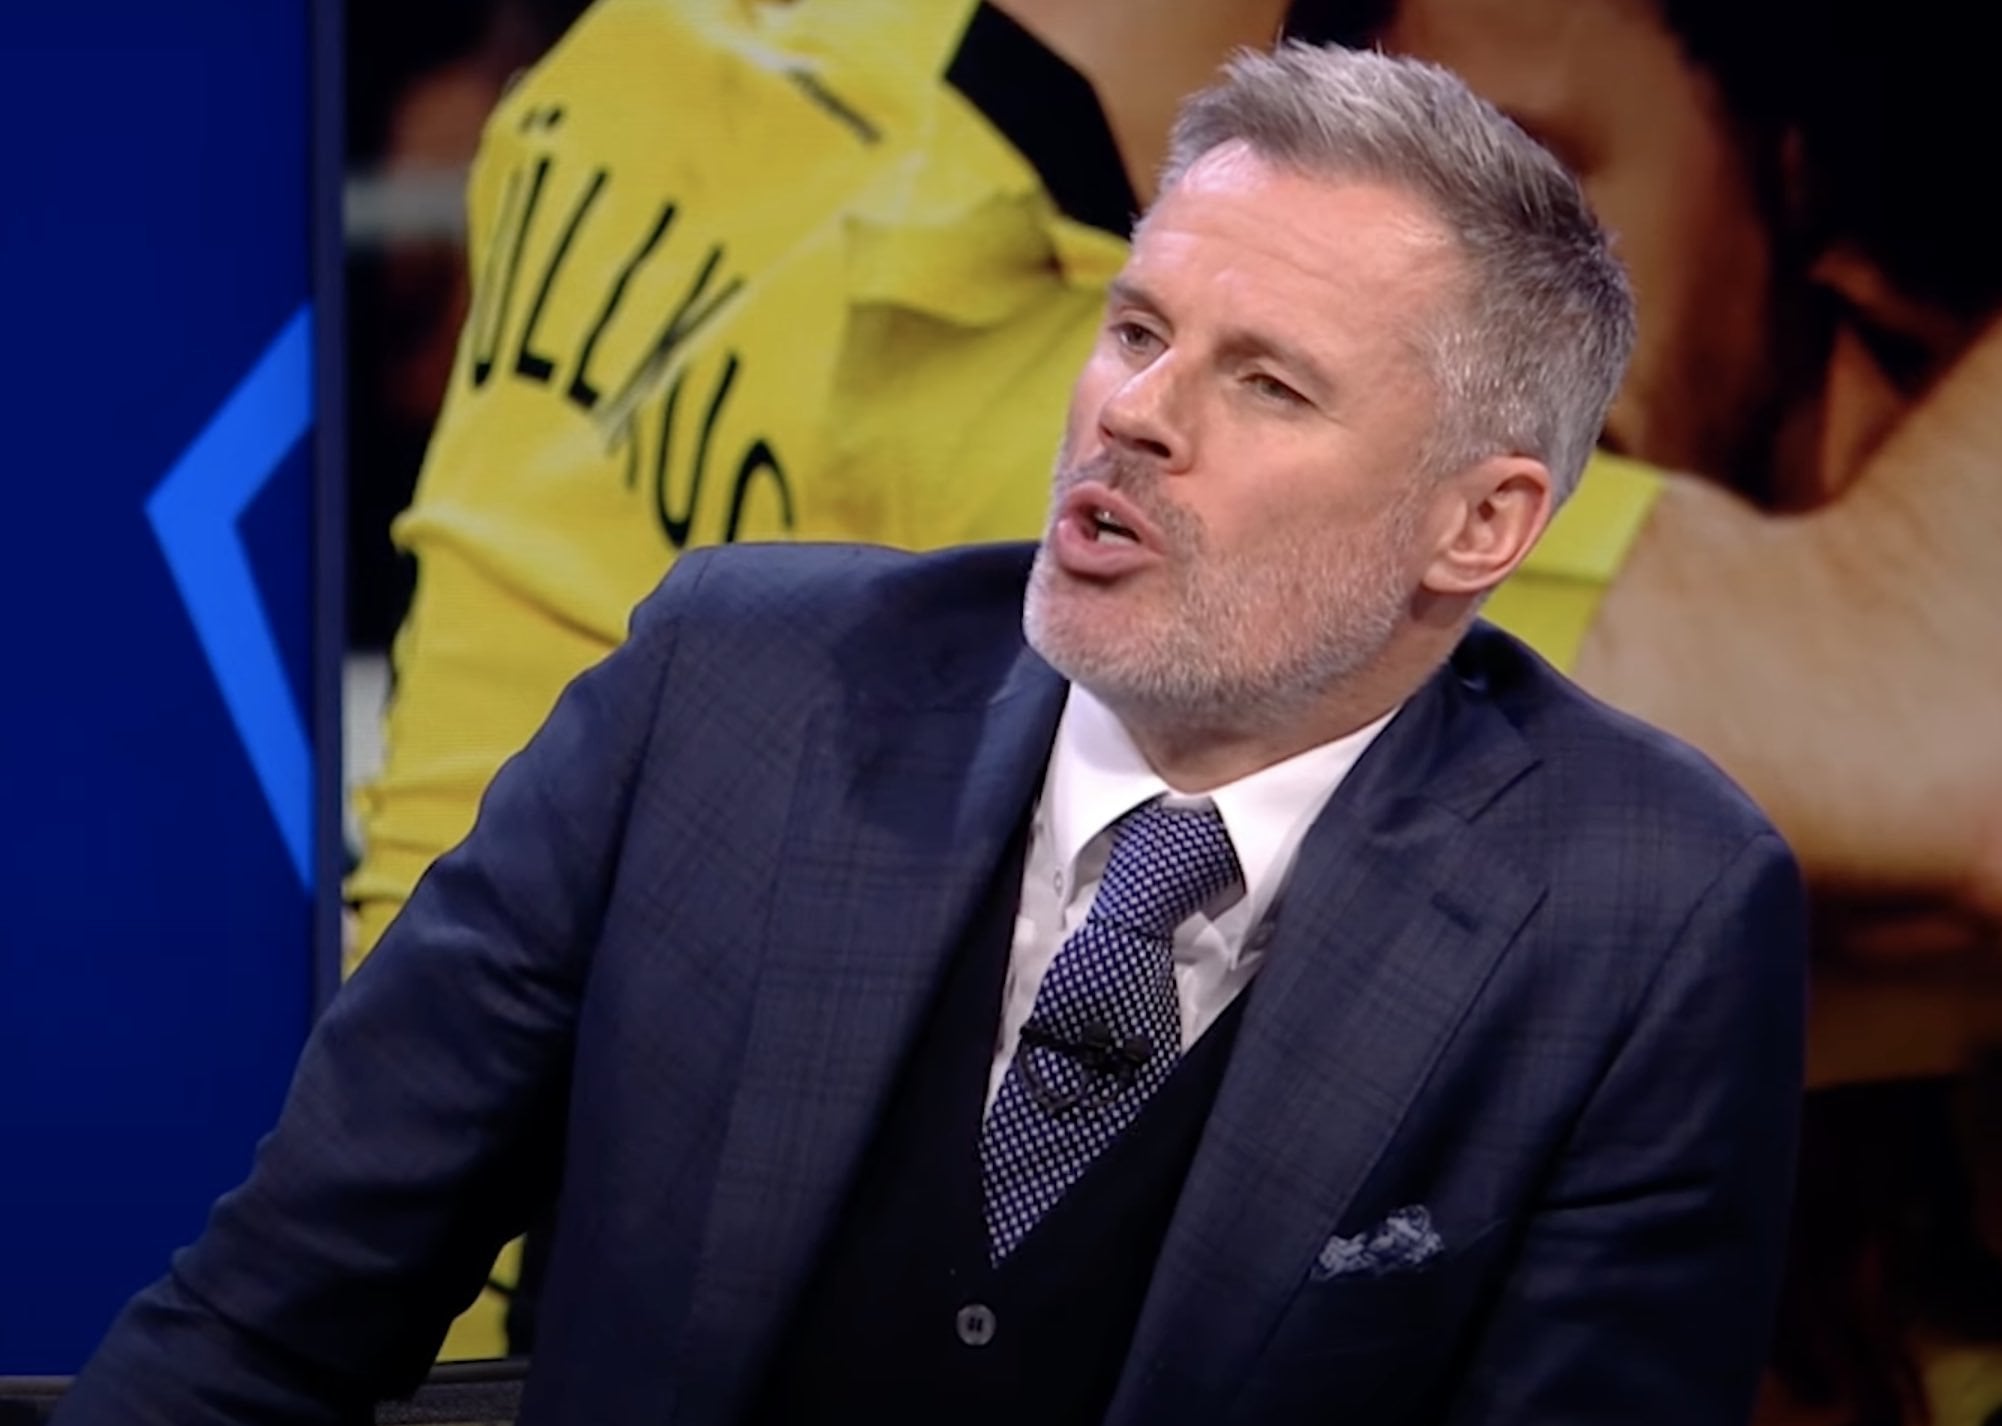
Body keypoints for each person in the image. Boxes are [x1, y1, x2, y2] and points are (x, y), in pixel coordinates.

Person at [60, 45, 1805, 1425]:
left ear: (1479, 525)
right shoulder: (731, 697)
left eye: (1266, 382)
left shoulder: (1639, 911)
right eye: (1136, 330)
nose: (1134, 413)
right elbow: (266, 1326)